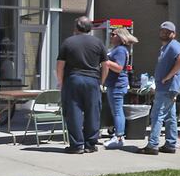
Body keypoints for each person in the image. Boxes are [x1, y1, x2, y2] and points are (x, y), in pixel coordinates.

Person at [56, 16, 109, 154]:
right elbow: (105, 65)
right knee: (93, 112)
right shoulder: (98, 43)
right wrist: (101, 81)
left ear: (76, 27)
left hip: (73, 79)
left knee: (73, 112)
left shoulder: (68, 42)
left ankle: (77, 145)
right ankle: (90, 144)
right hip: (92, 80)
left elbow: (60, 65)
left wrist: (61, 81)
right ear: (90, 28)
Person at [138, 21, 180, 155]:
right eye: (162, 31)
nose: (164, 33)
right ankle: (170, 144)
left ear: (174, 34)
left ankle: (152, 145)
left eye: (168, 31)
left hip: (167, 87)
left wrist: (168, 76)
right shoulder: (165, 48)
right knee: (170, 117)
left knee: (157, 115)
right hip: (167, 87)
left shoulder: (174, 45)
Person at [103, 28, 137, 149]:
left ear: (120, 37)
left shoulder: (120, 50)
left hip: (117, 84)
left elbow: (118, 67)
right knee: (116, 111)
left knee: (117, 111)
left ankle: (118, 137)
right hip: (114, 84)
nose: (111, 36)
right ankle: (118, 136)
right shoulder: (117, 50)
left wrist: (106, 61)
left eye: (113, 34)